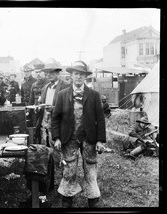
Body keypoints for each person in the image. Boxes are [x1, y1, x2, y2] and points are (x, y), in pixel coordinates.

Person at [51, 60, 106, 208]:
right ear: (71, 76)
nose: (78, 77)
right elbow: (55, 118)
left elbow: (100, 119)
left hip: (89, 138)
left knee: (90, 168)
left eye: (82, 74)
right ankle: (67, 199)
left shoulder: (94, 95)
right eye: (76, 74)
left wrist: (100, 140)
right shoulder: (63, 95)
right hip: (69, 138)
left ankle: (93, 199)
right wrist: (56, 137)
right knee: (69, 168)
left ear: (85, 77)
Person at [38, 66, 69, 152]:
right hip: (46, 124)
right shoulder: (45, 87)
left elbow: (69, 106)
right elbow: (42, 103)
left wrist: (54, 108)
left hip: (59, 124)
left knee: (59, 151)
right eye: (47, 73)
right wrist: (39, 108)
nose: (49, 75)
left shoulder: (66, 86)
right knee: (46, 150)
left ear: (58, 73)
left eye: (52, 73)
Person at [28, 64, 50, 141]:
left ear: (44, 72)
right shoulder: (34, 85)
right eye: (36, 72)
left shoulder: (49, 83)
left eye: (40, 72)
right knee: (35, 130)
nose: (38, 74)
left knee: (46, 131)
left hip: (46, 112)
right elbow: (31, 99)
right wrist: (28, 111)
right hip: (35, 111)